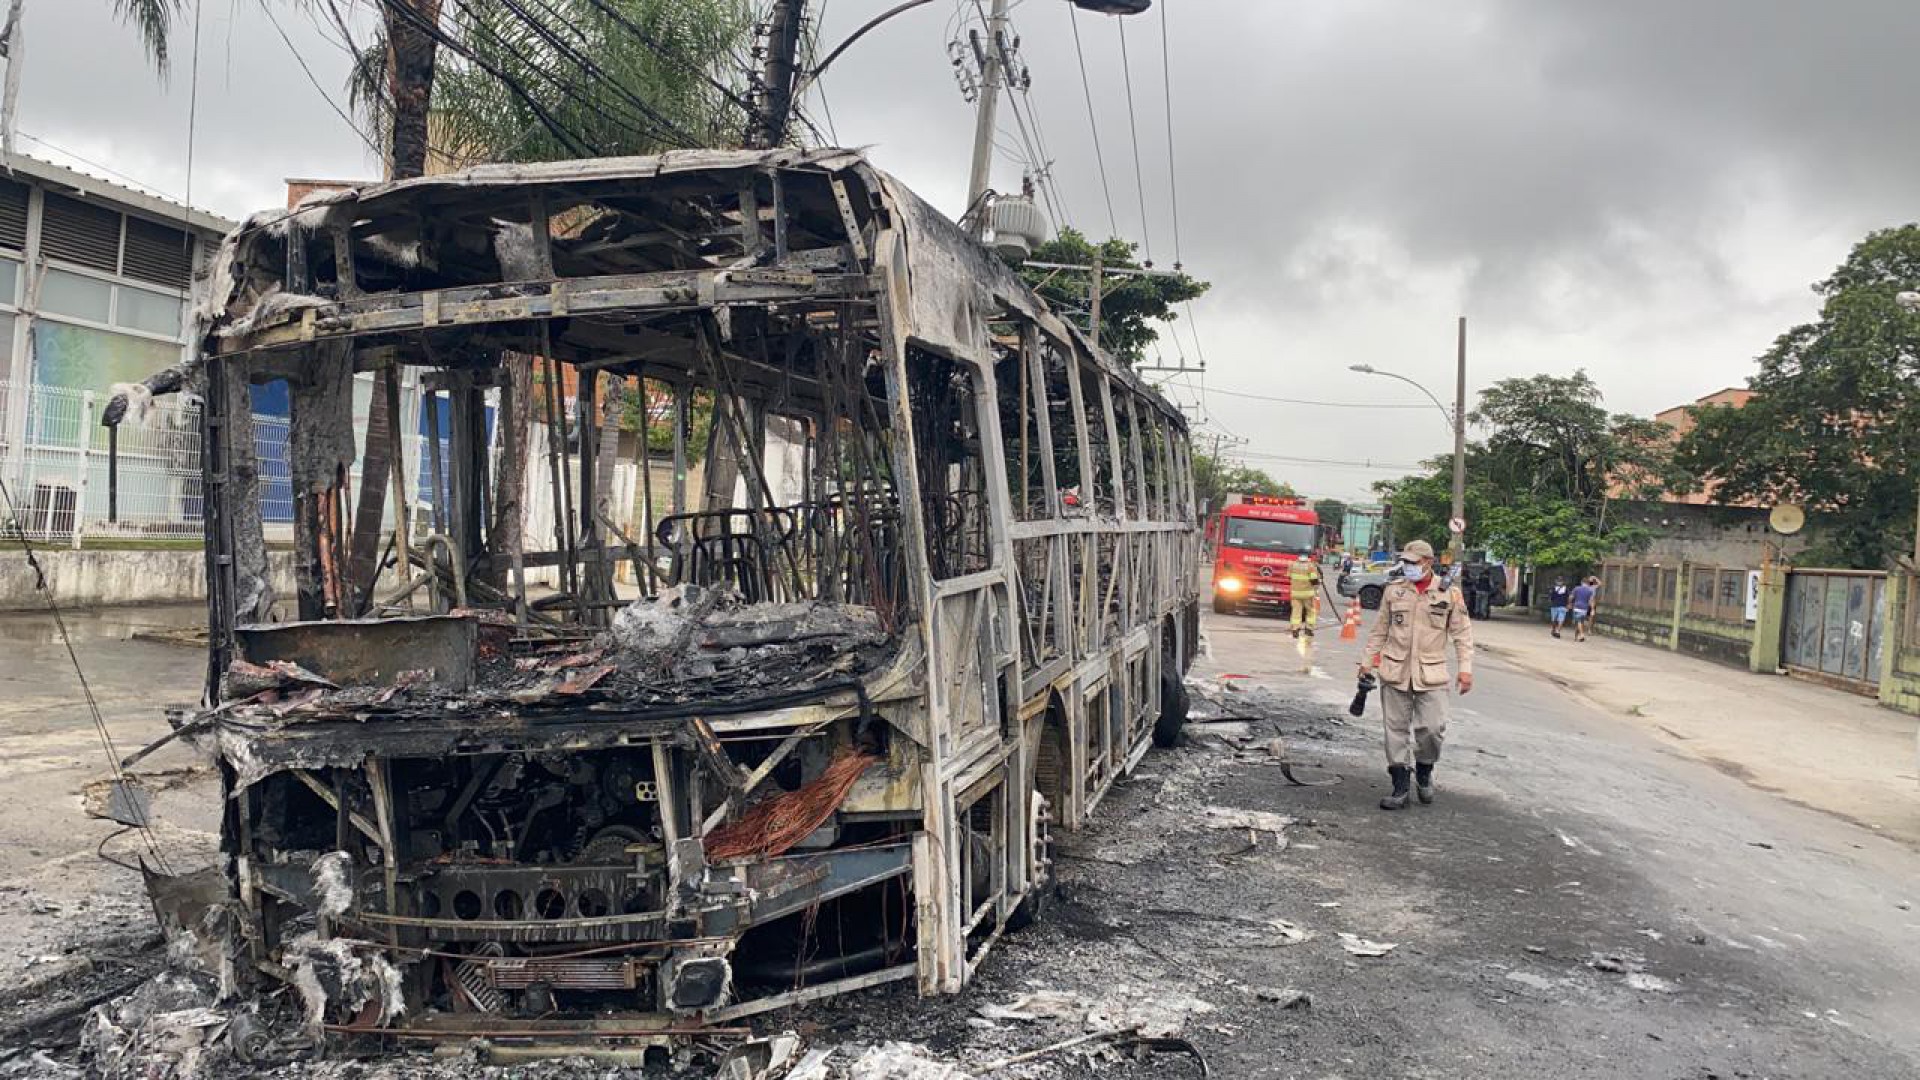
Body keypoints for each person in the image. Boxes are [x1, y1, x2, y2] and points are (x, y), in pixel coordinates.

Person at [1359, 540, 1475, 810]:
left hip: (1431, 673)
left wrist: (1465, 669)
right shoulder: (1394, 592)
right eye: (1406, 561)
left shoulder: (1449, 594)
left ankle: (1424, 770)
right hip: (1395, 670)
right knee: (1395, 731)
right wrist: (1367, 662)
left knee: (1432, 730)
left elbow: (1462, 634)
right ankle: (1400, 785)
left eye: (1414, 562)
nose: (1409, 566)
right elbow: (1379, 631)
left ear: (1428, 563)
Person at [1288, 557, 1322, 638]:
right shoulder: (1311, 566)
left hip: (1295, 593)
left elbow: (1289, 577)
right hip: (1307, 594)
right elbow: (1314, 580)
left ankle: (1295, 629)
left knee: (1296, 612)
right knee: (1310, 611)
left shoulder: (1292, 565)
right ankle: (1309, 629)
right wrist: (1319, 581)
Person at [1571, 575, 1599, 642]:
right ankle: (1576, 636)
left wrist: (1569, 604)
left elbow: (1571, 597)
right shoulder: (1590, 590)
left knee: (1578, 621)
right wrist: (1592, 609)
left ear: (1581, 582)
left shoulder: (1577, 588)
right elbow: (1591, 601)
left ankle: (1581, 634)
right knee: (1580, 622)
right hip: (1584, 609)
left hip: (1577, 607)